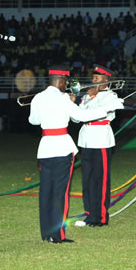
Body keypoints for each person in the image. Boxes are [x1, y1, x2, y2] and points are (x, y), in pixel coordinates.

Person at [28, 66, 107, 243]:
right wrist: (105, 110)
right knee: (60, 193)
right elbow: (82, 116)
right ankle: (58, 235)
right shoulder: (63, 98)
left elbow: (34, 120)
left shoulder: (38, 97)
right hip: (62, 147)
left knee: (46, 192)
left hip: (45, 147)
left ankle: (46, 233)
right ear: (61, 80)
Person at [73, 64, 124, 228]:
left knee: (99, 179)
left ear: (106, 80)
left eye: (97, 78)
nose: (93, 80)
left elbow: (104, 113)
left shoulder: (111, 96)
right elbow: (76, 118)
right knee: (87, 180)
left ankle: (100, 217)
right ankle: (89, 213)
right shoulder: (88, 96)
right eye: (93, 77)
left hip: (101, 139)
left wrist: (93, 99)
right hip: (86, 140)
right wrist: (75, 103)